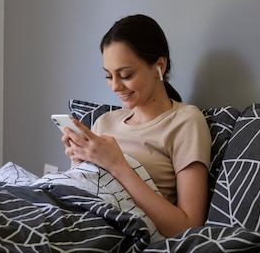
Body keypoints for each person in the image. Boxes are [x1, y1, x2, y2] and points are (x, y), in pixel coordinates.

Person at [61, 14, 211, 238]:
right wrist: (77, 159)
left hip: (111, 233)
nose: (115, 86)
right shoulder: (105, 122)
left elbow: (187, 227)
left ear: (159, 66)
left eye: (125, 75)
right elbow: (83, 191)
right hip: (72, 215)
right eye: (108, 76)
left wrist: (117, 164)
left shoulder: (185, 121)